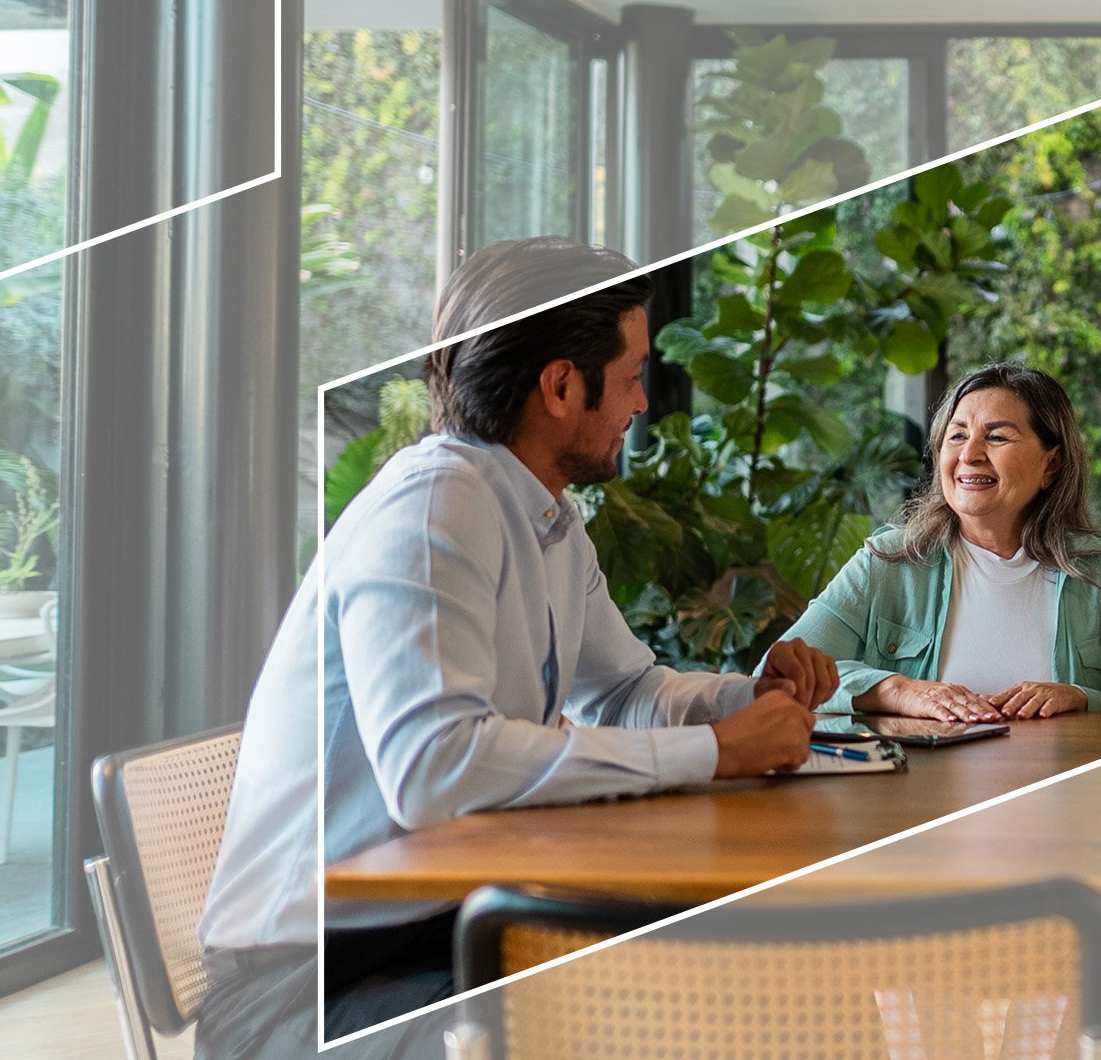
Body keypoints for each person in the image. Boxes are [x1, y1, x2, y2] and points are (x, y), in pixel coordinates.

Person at [191, 237, 832, 1059]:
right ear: (562, 385)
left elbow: (627, 690)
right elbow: (436, 769)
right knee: (694, 1005)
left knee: (744, 967)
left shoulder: (547, 520)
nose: (642, 403)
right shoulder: (437, 503)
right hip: (310, 991)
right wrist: (713, 751)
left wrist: (749, 700)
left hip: (442, 930)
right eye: (633, 375)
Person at [783, 363, 1101, 720]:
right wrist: (895, 690)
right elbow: (781, 674)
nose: (970, 454)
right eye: (957, 436)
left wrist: (1084, 699)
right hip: (916, 792)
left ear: (1051, 465)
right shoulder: (888, 562)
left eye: (997, 437)